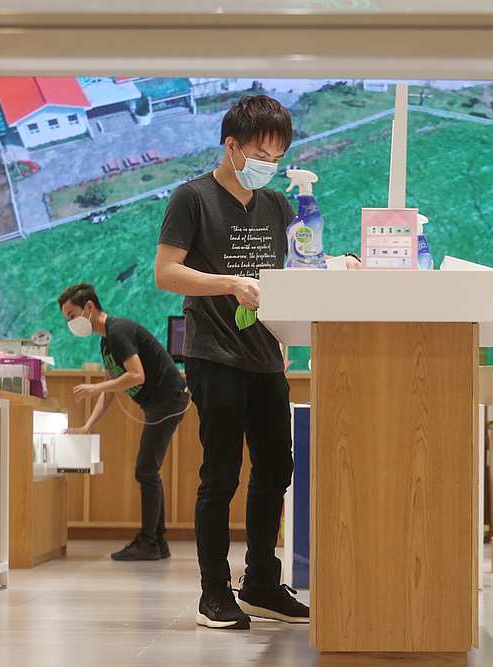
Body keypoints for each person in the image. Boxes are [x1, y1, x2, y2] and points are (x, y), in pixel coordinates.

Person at [153, 95, 308, 630]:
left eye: (279, 155)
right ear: (232, 146)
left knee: (276, 470)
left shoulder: (277, 207)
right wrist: (229, 284)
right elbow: (167, 273)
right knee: (219, 475)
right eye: (262, 152)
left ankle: (262, 583)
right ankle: (214, 593)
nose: (270, 163)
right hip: (213, 355)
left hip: (266, 357)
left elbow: (289, 273)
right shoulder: (191, 198)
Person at [59, 283, 189, 562]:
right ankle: (158, 541)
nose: (70, 323)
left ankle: (149, 542)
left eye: (72, 316)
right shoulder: (106, 341)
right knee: (148, 469)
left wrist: (95, 389)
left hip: (168, 400)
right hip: (159, 404)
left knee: (145, 469)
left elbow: (137, 375)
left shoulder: (118, 332)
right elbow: (110, 387)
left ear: (89, 308)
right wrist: (87, 426)